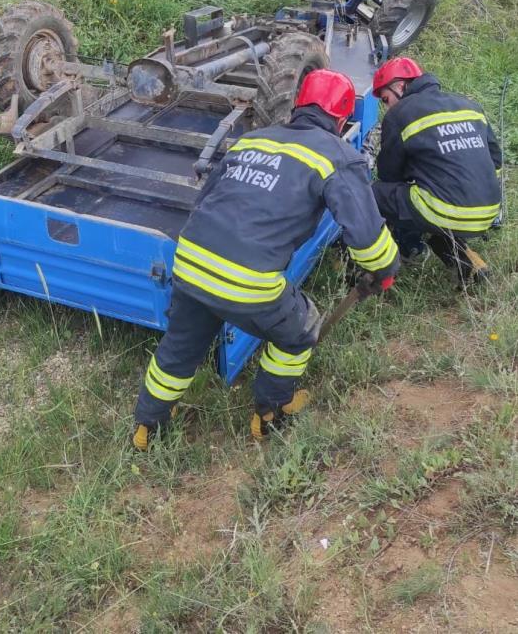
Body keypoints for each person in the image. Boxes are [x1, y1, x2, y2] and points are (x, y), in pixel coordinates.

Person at [133, 70, 400, 451]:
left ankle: (148, 425)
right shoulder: (337, 156)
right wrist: (385, 267)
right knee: (300, 329)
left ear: (297, 106)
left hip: (190, 262)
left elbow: (205, 198)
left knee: (181, 345)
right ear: (341, 121)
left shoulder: (251, 141)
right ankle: (273, 411)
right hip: (248, 279)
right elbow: (366, 234)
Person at [371, 57, 502, 282]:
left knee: (375, 193)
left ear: (400, 86)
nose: (387, 107)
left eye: (385, 99)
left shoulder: (399, 114)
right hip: (489, 210)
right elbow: (496, 160)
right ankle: (466, 262)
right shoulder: (469, 105)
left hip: (444, 210)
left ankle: (400, 252)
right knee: (426, 199)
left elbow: (389, 175)